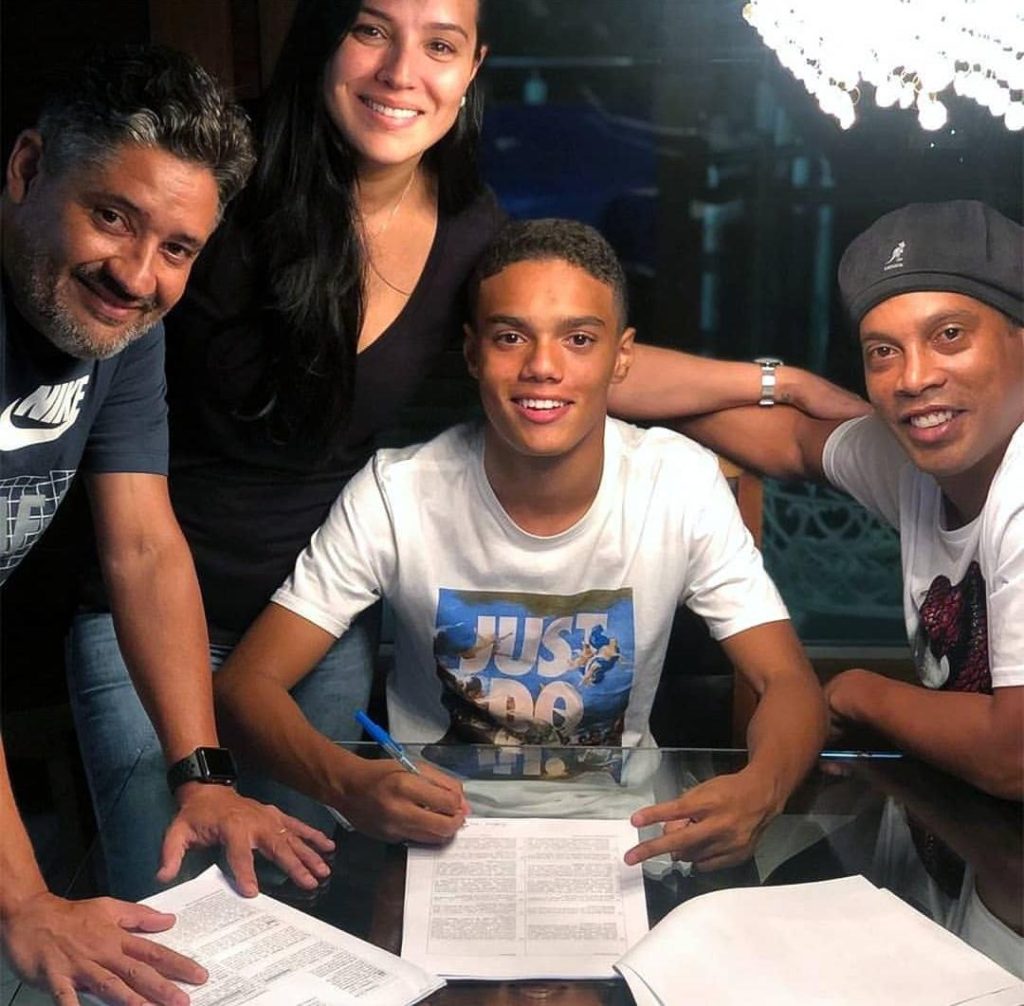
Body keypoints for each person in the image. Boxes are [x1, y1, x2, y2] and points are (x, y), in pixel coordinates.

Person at [68, 0, 864, 902]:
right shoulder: (220, 182)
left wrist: (777, 382)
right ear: (326, 37)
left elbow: (565, 361)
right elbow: (114, 361)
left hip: (313, 614)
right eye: (371, 29)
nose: (401, 71)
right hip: (152, 592)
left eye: (439, 44)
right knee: (161, 895)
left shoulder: (464, 231)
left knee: (296, 899)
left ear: (473, 67)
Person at [215, 218, 828, 870]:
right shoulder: (397, 492)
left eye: (578, 339)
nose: (542, 367)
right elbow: (246, 686)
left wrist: (763, 790)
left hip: (624, 840)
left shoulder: (679, 483)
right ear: (472, 352)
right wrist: (345, 782)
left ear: (621, 357)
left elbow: (789, 682)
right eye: (511, 337)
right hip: (435, 844)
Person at [0, 46, 334, 1004]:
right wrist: (24, 900)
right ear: (28, 169)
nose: (139, 275)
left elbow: (143, 547)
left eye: (178, 249)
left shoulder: (119, 326)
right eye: (112, 216)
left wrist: (204, 775)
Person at [680, 200, 1023, 801]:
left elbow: (1014, 756)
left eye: (949, 335)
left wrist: (853, 693)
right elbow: (789, 439)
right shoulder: (918, 459)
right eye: (883, 351)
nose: (914, 378)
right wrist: (786, 382)